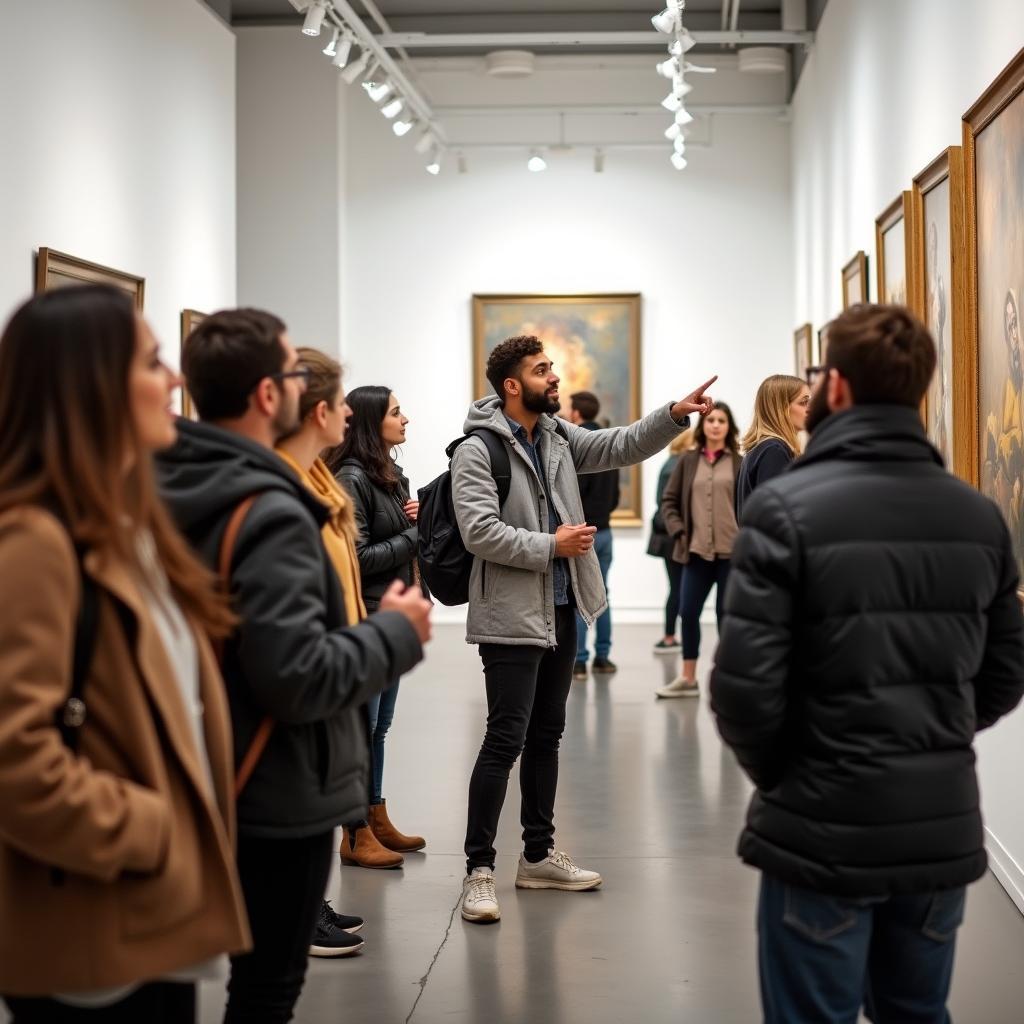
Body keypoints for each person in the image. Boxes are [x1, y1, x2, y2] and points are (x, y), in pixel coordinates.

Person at [710, 304, 1024, 1024]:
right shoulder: (977, 515)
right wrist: (934, 737)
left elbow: (743, 692)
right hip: (937, 821)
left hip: (821, 825)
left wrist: (794, 773)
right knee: (918, 1012)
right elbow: (1007, 672)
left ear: (839, 389)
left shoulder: (786, 508)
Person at [156, 309, 432, 1023]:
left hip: (216, 768)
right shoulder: (274, 509)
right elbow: (297, 674)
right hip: (276, 778)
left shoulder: (178, 483)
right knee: (267, 992)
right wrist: (396, 635)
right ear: (270, 396)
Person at [0, 286, 250, 1022]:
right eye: (152, 362)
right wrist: (152, 828)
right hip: (93, 920)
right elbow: (14, 758)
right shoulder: (35, 542)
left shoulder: (125, 524)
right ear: (91, 386)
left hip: (147, 912)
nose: (175, 381)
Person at [452, 333, 715, 923]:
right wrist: (553, 544)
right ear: (513, 385)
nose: (555, 377)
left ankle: (538, 856)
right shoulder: (476, 450)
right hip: (511, 617)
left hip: (565, 608)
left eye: (554, 367)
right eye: (543, 369)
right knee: (505, 739)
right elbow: (478, 532)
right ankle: (479, 870)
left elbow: (618, 444)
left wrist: (672, 415)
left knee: (548, 736)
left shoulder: (556, 436)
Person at [274, 348, 369, 958]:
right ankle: (298, 916)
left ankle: (311, 903)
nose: (348, 418)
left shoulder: (318, 480)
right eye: (340, 406)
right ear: (319, 411)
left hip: (342, 665)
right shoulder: (287, 492)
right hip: (318, 671)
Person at [325, 385, 426, 868]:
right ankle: (355, 832)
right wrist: (415, 534)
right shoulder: (351, 477)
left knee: (378, 727)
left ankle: (376, 814)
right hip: (365, 616)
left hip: (388, 617)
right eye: (395, 412)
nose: (405, 419)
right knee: (362, 728)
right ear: (371, 422)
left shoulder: (390, 474)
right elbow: (358, 558)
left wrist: (415, 522)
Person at [656, 404, 741, 698]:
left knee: (726, 617)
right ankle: (688, 678)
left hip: (732, 555)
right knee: (688, 612)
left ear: (729, 427)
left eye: (721, 420)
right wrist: (679, 530)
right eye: (711, 420)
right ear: (703, 426)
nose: (715, 425)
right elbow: (668, 502)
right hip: (694, 553)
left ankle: (728, 680)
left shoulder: (739, 463)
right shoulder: (687, 461)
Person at [568, 390, 620, 679]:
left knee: (577, 596)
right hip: (606, 531)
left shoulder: (576, 445)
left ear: (576, 413)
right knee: (603, 595)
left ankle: (578, 661)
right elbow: (614, 496)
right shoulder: (608, 442)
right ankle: (603, 657)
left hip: (581, 534)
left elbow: (573, 493)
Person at [734, 374, 809, 521]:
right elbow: (775, 517)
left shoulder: (759, 449)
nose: (809, 409)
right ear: (781, 408)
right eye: (803, 402)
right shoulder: (773, 451)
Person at [647, 429, 694, 653]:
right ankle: (669, 637)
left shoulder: (672, 464)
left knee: (677, 587)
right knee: (679, 588)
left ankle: (670, 635)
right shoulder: (676, 467)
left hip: (670, 535)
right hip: (673, 536)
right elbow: (670, 505)